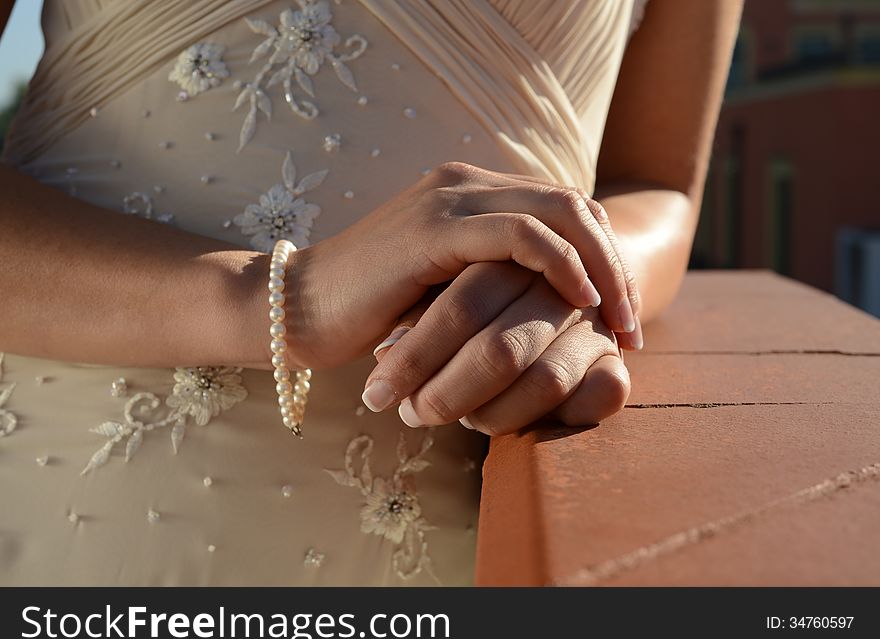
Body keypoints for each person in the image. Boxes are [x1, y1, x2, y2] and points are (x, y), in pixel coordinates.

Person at [0, 0, 741, 585]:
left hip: (451, 525)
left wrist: (570, 279)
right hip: (75, 495)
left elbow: (658, 183)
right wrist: (290, 300)